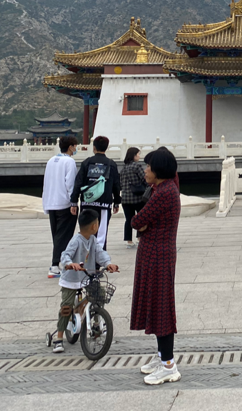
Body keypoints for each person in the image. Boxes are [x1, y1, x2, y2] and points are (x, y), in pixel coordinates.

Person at [131, 148, 182, 385]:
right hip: (155, 253)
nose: (145, 170)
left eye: (149, 166)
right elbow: (141, 223)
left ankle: (169, 365)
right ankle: (162, 356)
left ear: (159, 170)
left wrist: (142, 224)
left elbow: (137, 221)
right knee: (156, 304)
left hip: (158, 255)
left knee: (161, 307)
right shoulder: (161, 189)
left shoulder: (164, 193)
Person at [51, 208, 119, 354]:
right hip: (71, 278)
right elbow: (65, 255)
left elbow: (100, 253)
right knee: (66, 307)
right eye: (98, 223)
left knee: (99, 295)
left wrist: (108, 264)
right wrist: (70, 264)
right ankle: (59, 337)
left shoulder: (93, 240)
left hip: (87, 277)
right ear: (94, 226)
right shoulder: (76, 241)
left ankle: (96, 322)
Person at [71, 136, 120, 251]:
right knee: (101, 233)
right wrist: (117, 202)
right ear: (106, 148)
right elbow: (116, 185)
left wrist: (74, 202)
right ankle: (98, 258)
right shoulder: (111, 164)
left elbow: (78, 183)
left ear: (94, 148)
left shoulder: (87, 163)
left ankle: (84, 257)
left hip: (87, 202)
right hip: (104, 203)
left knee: (85, 232)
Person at [42, 135, 78, 278]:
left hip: (52, 202)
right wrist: (73, 202)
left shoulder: (51, 160)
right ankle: (55, 264)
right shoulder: (69, 161)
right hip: (64, 203)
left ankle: (62, 261)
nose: (76, 148)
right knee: (63, 235)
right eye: (75, 146)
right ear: (70, 147)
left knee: (57, 235)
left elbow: (46, 182)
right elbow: (70, 183)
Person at [119, 147, 148, 249]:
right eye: (138, 154)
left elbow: (121, 183)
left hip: (125, 199)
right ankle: (140, 238)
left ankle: (129, 240)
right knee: (140, 218)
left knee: (128, 219)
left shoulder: (123, 168)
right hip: (137, 197)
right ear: (134, 156)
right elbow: (145, 179)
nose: (139, 156)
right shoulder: (137, 166)